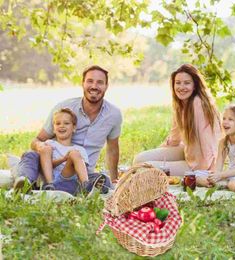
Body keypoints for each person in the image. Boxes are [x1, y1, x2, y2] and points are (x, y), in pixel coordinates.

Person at [14, 65, 122, 194]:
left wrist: (115, 181)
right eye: (90, 81)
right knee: (30, 155)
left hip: (81, 176)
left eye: (100, 82)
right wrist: (41, 147)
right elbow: (37, 140)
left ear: (106, 86)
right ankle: (25, 183)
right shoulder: (64, 108)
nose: (94, 86)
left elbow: (113, 149)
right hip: (51, 170)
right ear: (82, 84)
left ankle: (81, 188)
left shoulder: (114, 114)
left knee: (103, 180)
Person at [133, 64, 222, 176]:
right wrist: (161, 152)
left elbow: (208, 141)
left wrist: (208, 170)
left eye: (187, 83)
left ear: (195, 86)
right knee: (139, 159)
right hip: (187, 151)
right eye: (178, 82)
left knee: (143, 169)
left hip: (199, 164)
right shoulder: (180, 105)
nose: (181, 87)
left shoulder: (198, 103)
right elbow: (174, 138)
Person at [39, 108, 107, 195]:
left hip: (70, 179)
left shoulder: (80, 149)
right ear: (54, 129)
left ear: (74, 128)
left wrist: (71, 158)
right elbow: (44, 164)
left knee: (75, 154)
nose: (61, 126)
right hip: (54, 180)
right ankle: (49, 185)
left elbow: (83, 169)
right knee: (48, 150)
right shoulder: (49, 144)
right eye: (58, 123)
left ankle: (86, 186)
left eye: (66, 123)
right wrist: (63, 159)